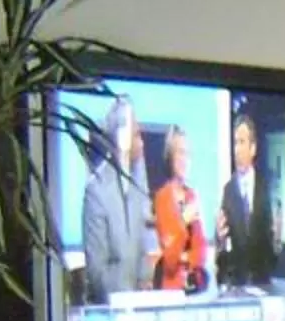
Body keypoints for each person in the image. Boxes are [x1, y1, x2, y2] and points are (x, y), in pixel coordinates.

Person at [76, 96, 152, 302]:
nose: (142, 143)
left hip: (138, 309)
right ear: (122, 136)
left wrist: (145, 282)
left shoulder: (136, 187)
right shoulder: (97, 191)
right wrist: (129, 297)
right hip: (110, 310)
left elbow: (142, 246)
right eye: (137, 135)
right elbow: (97, 273)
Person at [218, 107, 276, 288]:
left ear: (253, 148)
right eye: (235, 143)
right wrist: (219, 240)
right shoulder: (228, 191)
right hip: (238, 286)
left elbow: (272, 249)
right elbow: (224, 253)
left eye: (242, 142)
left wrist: (278, 241)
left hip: (264, 284)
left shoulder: (265, 188)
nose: (237, 149)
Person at [149, 126, 211, 292]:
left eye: (188, 154)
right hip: (171, 289)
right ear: (171, 157)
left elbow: (201, 251)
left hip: (193, 287)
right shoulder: (162, 198)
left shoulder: (192, 196)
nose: (185, 160)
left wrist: (185, 258)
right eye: (180, 153)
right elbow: (169, 260)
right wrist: (183, 220)